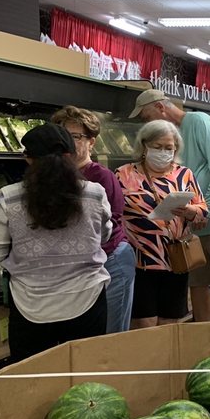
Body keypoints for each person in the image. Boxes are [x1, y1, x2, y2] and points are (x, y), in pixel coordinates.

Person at [0, 124, 111, 362]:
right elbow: (103, 236)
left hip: (31, 305)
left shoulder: (10, 197)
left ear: (28, 159)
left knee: (34, 375)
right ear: (71, 155)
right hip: (87, 298)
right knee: (86, 371)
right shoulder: (95, 193)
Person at [128, 89, 210, 323]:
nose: (147, 124)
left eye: (147, 117)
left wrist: (205, 210)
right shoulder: (169, 137)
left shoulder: (199, 122)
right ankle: (201, 334)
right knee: (197, 280)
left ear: (160, 108)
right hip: (191, 224)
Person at [51, 106, 135, 334]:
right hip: (77, 266)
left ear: (92, 142)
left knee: (110, 333)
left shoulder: (101, 176)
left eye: (76, 136)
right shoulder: (53, 175)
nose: (69, 143)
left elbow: (110, 223)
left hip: (110, 261)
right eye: (64, 136)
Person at [117, 120, 208, 330]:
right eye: (157, 147)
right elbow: (113, 211)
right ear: (144, 146)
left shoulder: (184, 174)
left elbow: (203, 211)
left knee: (170, 322)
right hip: (140, 259)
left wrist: (191, 211)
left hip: (176, 258)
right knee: (144, 322)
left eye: (169, 148)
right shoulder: (124, 174)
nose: (164, 152)